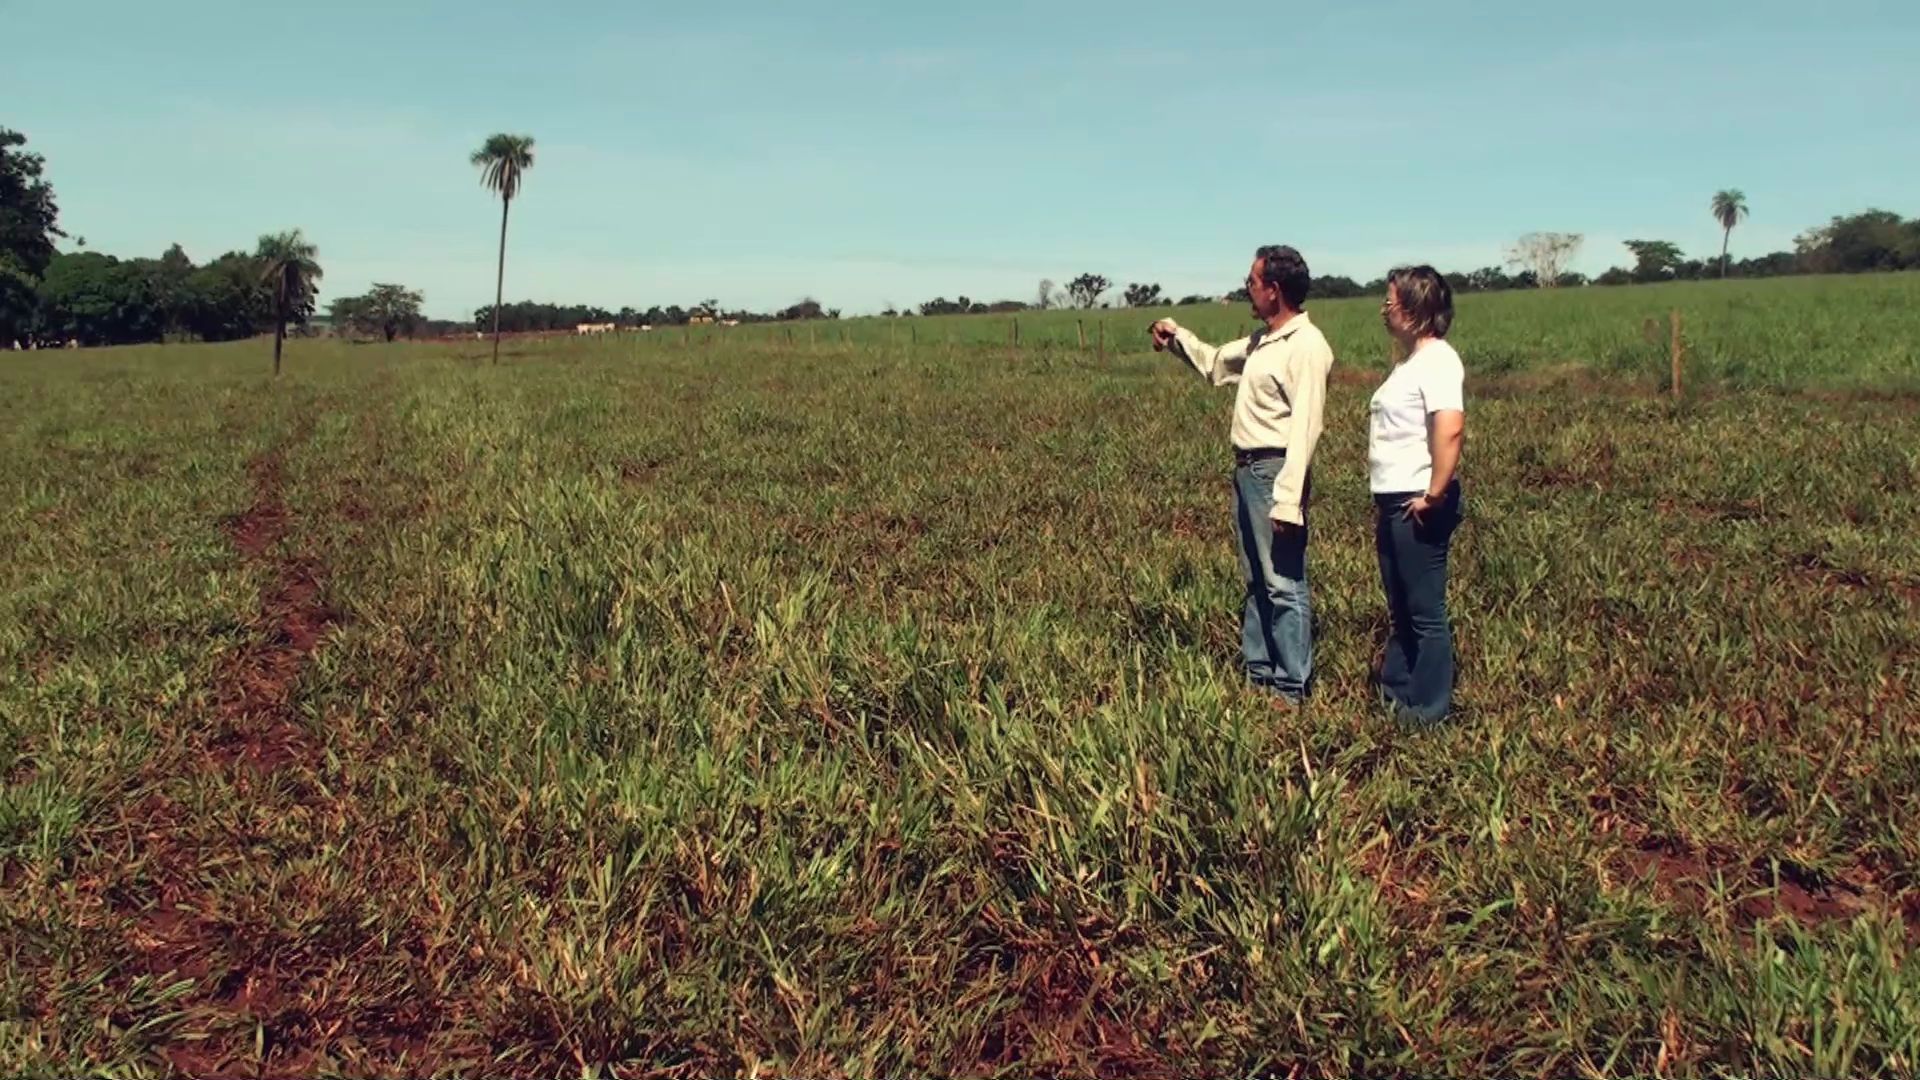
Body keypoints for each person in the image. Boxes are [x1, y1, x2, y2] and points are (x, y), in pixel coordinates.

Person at [1151, 245, 1334, 703]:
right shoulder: (1261, 342)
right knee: (1256, 578)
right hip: (1248, 472)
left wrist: (1288, 500)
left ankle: (1292, 688)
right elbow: (1215, 363)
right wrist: (1175, 336)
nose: (1246, 288)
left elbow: (1307, 426)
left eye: (1252, 282)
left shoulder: (1306, 346)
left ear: (1274, 290)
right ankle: (1261, 676)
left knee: (1283, 582)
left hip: (1275, 471)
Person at [1369, 265, 1466, 726]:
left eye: (1389, 302)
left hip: (1416, 499)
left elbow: (1450, 427)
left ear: (1412, 308)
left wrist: (1434, 493)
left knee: (1424, 610)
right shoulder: (1410, 362)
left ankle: (1428, 710)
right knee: (1401, 606)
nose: (1384, 310)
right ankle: (1397, 696)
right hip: (1394, 498)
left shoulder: (1439, 361)